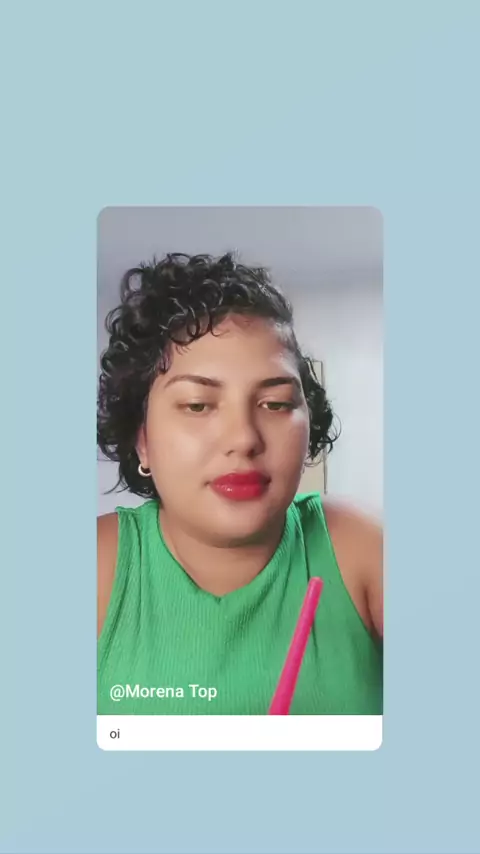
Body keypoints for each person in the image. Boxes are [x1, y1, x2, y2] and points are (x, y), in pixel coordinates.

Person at [97, 252, 383, 715]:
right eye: (197, 405)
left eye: (275, 404)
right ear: (142, 440)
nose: (244, 438)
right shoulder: (96, 567)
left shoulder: (362, 551)